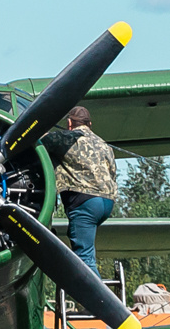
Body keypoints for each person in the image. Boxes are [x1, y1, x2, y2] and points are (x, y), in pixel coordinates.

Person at [40, 106, 117, 269]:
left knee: (84, 261)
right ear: (90, 123)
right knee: (87, 254)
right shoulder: (105, 145)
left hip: (85, 202)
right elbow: (113, 173)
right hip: (107, 203)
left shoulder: (65, 138)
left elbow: (36, 141)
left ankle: (97, 296)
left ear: (69, 123)